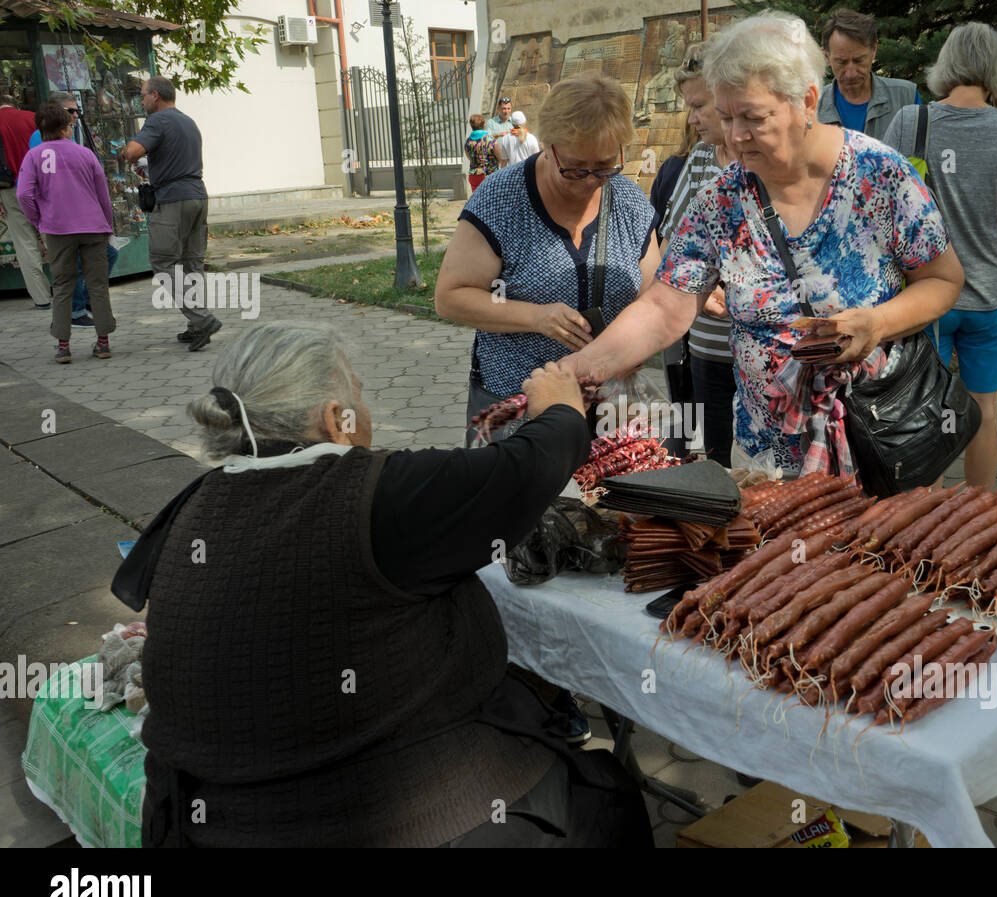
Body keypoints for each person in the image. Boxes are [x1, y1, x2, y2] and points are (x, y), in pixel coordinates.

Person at [121, 321, 652, 847]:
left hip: (197, 823)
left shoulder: (193, 505)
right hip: (401, 818)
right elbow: (526, 468)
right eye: (359, 395)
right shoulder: (376, 494)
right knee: (608, 798)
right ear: (335, 419)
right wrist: (560, 408)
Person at [561, 12, 963, 477]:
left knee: (874, 551)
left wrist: (877, 323)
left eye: (753, 117)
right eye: (726, 116)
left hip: (880, 441)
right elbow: (665, 305)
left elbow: (943, 278)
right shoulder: (722, 201)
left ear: (807, 100)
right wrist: (584, 366)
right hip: (764, 459)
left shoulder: (881, 175)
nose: (735, 136)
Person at [435, 74, 659, 742]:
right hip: (519, 410)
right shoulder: (502, 198)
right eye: (576, 168)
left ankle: (617, 695)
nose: (592, 181)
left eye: (604, 166)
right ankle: (534, 699)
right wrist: (532, 313)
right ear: (548, 143)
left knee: (607, 550)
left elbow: (656, 293)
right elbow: (451, 296)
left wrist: (637, 340)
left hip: (611, 411)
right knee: (526, 560)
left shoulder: (626, 199)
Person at [881, 23, 997, 489]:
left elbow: (884, 208)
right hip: (991, 298)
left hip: (924, 296)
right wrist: (993, 206)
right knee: (984, 411)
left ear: (945, 64)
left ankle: (919, 518)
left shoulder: (911, 122)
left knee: (921, 411)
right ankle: (977, 518)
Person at [649, 43, 735, 465]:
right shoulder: (700, 158)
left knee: (769, 475)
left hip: (767, 351)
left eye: (699, 105)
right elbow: (672, 247)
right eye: (689, 105)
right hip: (707, 345)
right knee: (719, 462)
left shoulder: (768, 164)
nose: (692, 117)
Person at [120, 76, 220, 352]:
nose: (141, 100)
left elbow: (132, 152)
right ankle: (197, 326)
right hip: (197, 196)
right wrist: (151, 169)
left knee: (163, 264)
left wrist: (127, 147)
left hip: (173, 201)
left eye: (142, 95)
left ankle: (204, 319)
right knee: (192, 264)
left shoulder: (157, 121)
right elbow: (177, 162)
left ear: (155, 96)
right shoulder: (188, 121)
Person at [16, 105, 115, 364]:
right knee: (97, 284)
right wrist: (108, 224)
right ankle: (103, 343)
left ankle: (63, 347)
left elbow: (24, 194)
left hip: (57, 229)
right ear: (64, 128)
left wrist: (38, 220)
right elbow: (103, 194)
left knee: (62, 286)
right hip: (93, 226)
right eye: (71, 125)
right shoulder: (85, 154)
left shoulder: (34, 156)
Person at [31, 91, 118, 330]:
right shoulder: (43, 143)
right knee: (77, 278)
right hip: (68, 223)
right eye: (70, 111)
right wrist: (39, 218)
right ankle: (89, 324)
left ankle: (64, 341)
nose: (75, 116)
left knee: (73, 277)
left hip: (70, 224)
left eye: (76, 110)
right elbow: (102, 194)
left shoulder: (67, 144)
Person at [816, 8, 921, 140]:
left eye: (859, 60)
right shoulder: (811, 108)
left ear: (874, 50)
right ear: (826, 56)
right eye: (841, 62)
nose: (851, 73)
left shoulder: (906, 97)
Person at [0, 94, 52, 310]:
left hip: (9, 188)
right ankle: (68, 289)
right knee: (53, 237)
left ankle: (41, 298)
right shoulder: (32, 118)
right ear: (15, 104)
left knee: (25, 243)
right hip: (41, 185)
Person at [464, 114, 496, 193]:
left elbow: (470, 158)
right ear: (483, 125)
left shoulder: (468, 142)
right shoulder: (489, 139)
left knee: (477, 200)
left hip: (473, 175)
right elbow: (500, 157)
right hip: (488, 174)